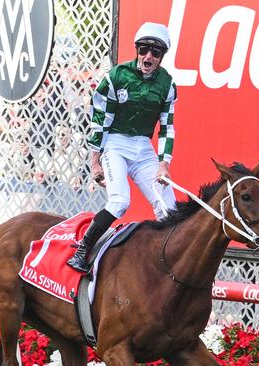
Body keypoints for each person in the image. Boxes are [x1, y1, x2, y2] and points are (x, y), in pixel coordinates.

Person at [67, 22, 177, 273]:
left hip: (143, 148)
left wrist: (164, 164)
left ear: (161, 57)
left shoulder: (167, 84)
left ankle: (167, 264)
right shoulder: (116, 77)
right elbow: (100, 120)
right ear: (137, 50)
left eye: (156, 52)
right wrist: (95, 161)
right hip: (115, 144)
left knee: (168, 208)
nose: (148, 56)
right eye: (144, 49)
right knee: (119, 202)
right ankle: (83, 249)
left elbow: (167, 127)